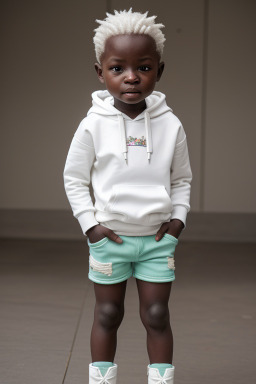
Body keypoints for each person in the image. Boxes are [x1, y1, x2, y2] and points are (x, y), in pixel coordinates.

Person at [63, 9, 192, 384]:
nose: (132, 77)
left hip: (156, 241)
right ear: (100, 72)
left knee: (156, 315)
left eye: (145, 67)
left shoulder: (170, 124)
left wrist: (178, 221)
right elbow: (74, 178)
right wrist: (91, 226)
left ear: (159, 71)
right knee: (107, 314)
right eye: (118, 68)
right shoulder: (92, 124)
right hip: (109, 241)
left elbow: (182, 178)